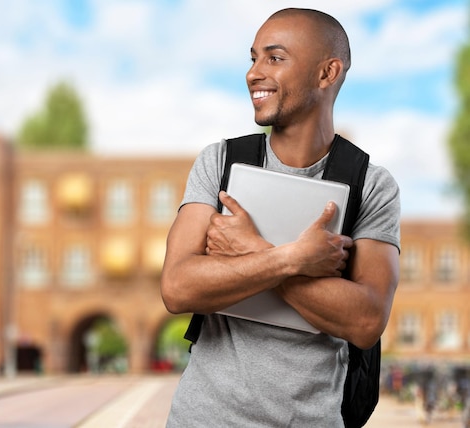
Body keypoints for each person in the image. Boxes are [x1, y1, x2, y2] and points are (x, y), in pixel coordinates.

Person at [161, 8, 401, 427]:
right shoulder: (219, 163)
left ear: (327, 73)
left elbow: (365, 322)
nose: (254, 73)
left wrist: (251, 249)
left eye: (274, 58)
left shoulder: (372, 186)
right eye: (253, 58)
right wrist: (292, 260)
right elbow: (178, 289)